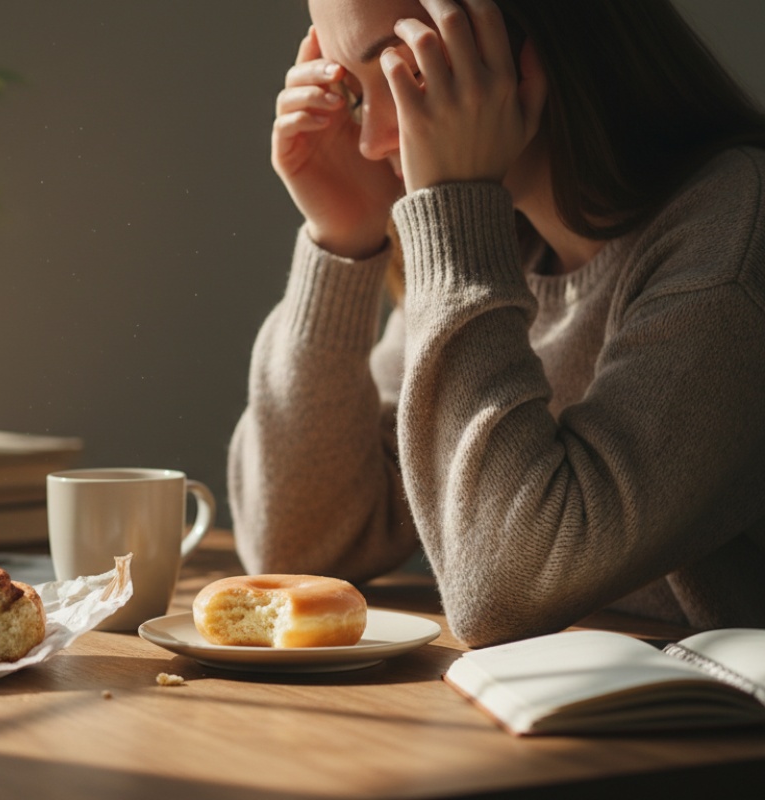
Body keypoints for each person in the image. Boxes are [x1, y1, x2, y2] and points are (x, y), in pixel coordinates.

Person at [228, 0, 765, 647]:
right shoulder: (503, 245)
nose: (370, 142)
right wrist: (342, 243)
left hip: (714, 738)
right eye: (351, 91)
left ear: (530, 45)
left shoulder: (735, 239)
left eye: (406, 72)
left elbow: (505, 591)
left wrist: (452, 218)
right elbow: (303, 542)